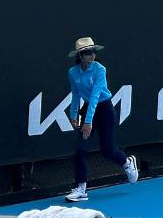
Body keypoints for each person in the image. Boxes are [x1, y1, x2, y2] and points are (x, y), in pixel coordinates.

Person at [65, 37, 138, 202]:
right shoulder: (72, 73)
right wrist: (73, 114)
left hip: (104, 109)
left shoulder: (100, 70)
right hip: (89, 110)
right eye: (87, 53)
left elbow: (96, 96)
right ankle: (81, 189)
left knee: (107, 150)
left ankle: (126, 162)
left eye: (93, 52)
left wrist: (88, 122)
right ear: (80, 55)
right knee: (80, 148)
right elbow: (76, 94)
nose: (91, 55)